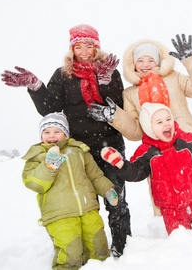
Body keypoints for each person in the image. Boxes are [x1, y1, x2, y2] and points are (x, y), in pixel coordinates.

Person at [87, 34, 192, 231]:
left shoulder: (173, 78)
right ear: (133, 64)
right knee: (179, 204)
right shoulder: (130, 94)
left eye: (151, 59)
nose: (146, 64)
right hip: (162, 154)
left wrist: (190, 59)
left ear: (158, 61)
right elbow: (135, 132)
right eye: (140, 60)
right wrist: (114, 116)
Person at [1, 24, 131, 257]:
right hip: (79, 150)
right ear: (72, 48)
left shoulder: (109, 71)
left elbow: (117, 105)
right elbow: (49, 107)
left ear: (97, 47)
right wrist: (35, 85)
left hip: (109, 145)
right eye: (78, 46)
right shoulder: (63, 75)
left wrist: (104, 80)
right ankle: (93, 249)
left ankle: (123, 247)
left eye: (89, 45)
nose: (83, 50)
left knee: (116, 197)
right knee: (88, 204)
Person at [100, 103, 192, 237]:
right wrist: (120, 164)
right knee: (183, 242)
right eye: (159, 122)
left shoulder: (183, 140)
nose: (166, 124)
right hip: (171, 209)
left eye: (168, 119)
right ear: (149, 128)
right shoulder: (147, 151)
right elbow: (135, 172)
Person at [22, 112, 119, 270]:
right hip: (59, 214)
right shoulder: (37, 156)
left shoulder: (78, 151)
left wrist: (107, 190)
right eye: (46, 132)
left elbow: (94, 175)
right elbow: (34, 183)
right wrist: (48, 167)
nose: (51, 136)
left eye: (57, 131)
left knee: (98, 244)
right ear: (41, 137)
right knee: (71, 250)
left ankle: (101, 266)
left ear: (66, 135)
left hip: (87, 208)